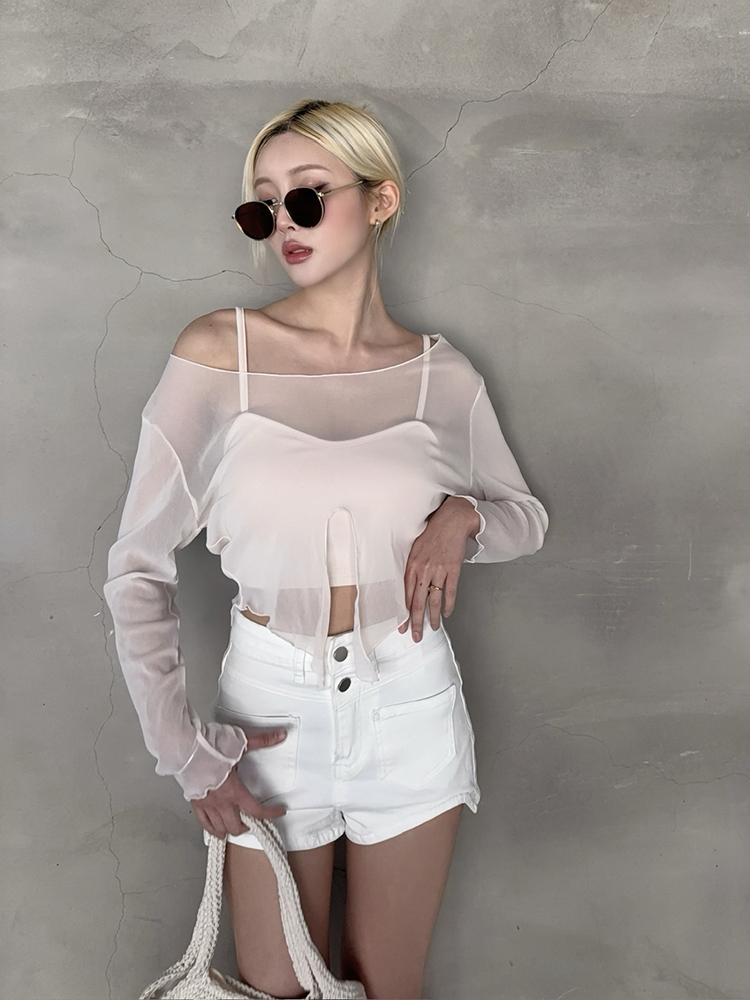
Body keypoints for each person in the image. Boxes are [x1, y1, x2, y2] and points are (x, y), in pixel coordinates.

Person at [103, 98, 549, 1000]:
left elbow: (524, 518)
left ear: (380, 200)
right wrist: (184, 752)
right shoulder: (219, 353)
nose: (284, 224)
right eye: (263, 206)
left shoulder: (440, 376)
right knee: (277, 990)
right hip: (270, 712)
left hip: (410, 701)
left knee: (390, 987)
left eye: (307, 197)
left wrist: (463, 517)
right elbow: (136, 569)